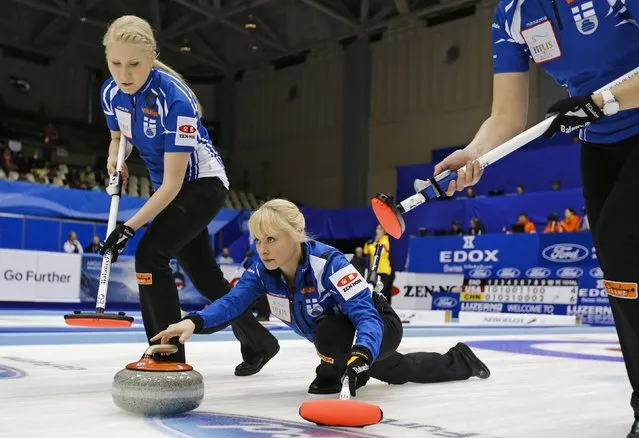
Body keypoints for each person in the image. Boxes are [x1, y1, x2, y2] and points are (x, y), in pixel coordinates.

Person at [434, 1, 639, 434]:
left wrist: (601, 101)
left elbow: (601, 100)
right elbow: (507, 115)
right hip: (600, 144)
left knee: (624, 247)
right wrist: (476, 153)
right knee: (620, 278)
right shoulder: (511, 16)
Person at [152, 199, 490, 397]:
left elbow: (365, 316)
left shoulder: (329, 264)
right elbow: (233, 302)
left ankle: (334, 369)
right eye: (257, 240)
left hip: (377, 324)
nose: (263, 249)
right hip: (339, 338)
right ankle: (459, 359)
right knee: (399, 371)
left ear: (295, 235)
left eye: (272, 238)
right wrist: (192, 322)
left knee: (333, 334)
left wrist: (362, 351)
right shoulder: (261, 270)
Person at [96, 15, 279, 374]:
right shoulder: (110, 92)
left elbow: (173, 185)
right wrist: (115, 160)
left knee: (150, 254)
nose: (124, 74)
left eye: (134, 64)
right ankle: (260, 341)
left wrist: (128, 228)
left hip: (202, 185)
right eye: (115, 63)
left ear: (151, 58)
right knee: (207, 279)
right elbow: (119, 137)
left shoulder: (176, 101)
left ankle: (166, 353)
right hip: (172, 187)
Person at [363, 225, 393, 303]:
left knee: (379, 294)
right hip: (374, 271)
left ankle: (382, 312)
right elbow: (365, 252)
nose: (377, 231)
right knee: (372, 293)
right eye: (377, 228)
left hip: (382, 271)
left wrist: (370, 245)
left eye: (379, 229)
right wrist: (367, 244)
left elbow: (377, 253)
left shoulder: (385, 241)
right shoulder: (376, 242)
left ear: (384, 231)